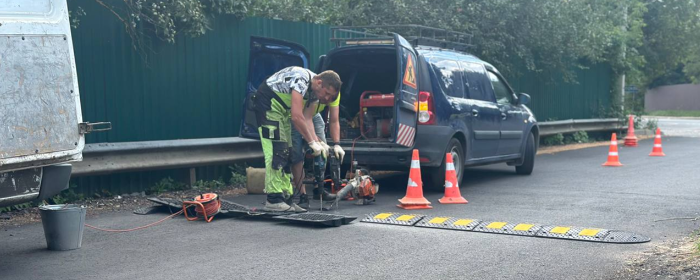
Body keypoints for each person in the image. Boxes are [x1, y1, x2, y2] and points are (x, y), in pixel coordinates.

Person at [252, 66, 341, 212]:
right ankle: (273, 199)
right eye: (326, 93)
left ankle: (286, 198)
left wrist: (317, 142)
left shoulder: (314, 93)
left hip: (281, 112)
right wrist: (311, 142)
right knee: (277, 152)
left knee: (288, 151)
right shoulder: (301, 79)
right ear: (319, 82)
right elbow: (296, 116)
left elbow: (307, 119)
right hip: (268, 106)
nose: (326, 99)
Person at [291, 90, 345, 208]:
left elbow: (334, 120)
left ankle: (319, 189)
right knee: (297, 155)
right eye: (326, 96)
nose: (327, 98)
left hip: (313, 114)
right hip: (298, 115)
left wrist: (337, 144)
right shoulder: (318, 90)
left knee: (322, 152)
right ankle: (303, 195)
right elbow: (306, 118)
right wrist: (315, 141)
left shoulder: (335, 94)